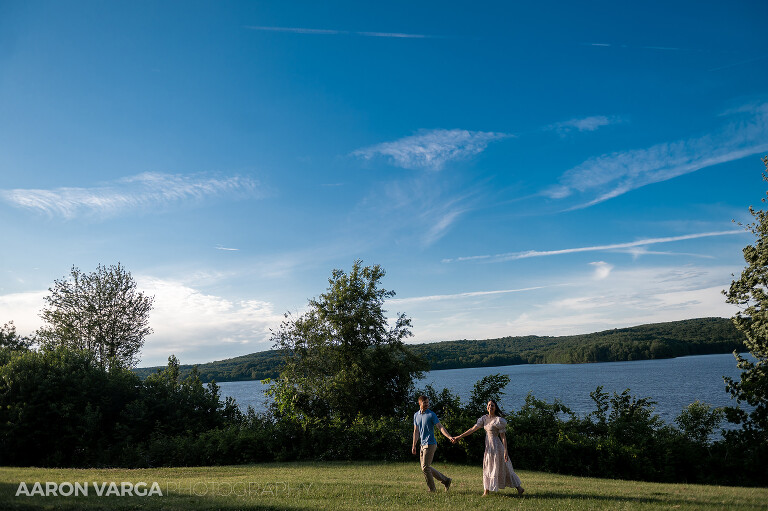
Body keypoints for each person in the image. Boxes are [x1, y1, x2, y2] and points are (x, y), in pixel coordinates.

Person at [453, 400, 524, 496]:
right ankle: (486, 491)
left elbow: (503, 437)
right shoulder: (484, 419)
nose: (490, 407)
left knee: (505, 468)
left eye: (493, 405)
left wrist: (505, 451)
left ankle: (519, 488)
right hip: (488, 447)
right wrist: (459, 437)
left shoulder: (498, 420)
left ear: (495, 408)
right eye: (489, 405)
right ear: (487, 406)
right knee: (488, 467)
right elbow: (472, 429)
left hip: (497, 447)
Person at [412, 395, 454, 492]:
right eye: (424, 402)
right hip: (422, 445)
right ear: (419, 403)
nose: (427, 404)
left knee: (425, 467)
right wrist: (413, 445)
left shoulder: (431, 414)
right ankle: (446, 480)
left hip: (430, 444)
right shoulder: (416, 415)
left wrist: (449, 436)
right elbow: (416, 431)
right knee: (425, 468)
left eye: (427, 402)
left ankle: (432, 489)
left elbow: (440, 427)